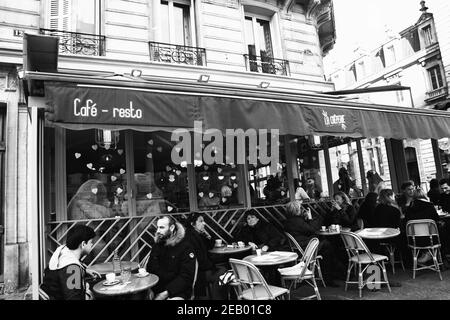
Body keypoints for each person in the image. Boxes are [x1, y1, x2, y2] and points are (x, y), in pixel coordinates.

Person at [283, 200, 340, 287]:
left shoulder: (289, 221)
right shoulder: (297, 221)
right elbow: (312, 229)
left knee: (325, 245)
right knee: (328, 247)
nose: (302, 210)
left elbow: (306, 230)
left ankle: (331, 275)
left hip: (299, 248)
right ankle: (329, 278)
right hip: (304, 250)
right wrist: (310, 218)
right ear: (297, 210)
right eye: (300, 208)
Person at [40, 225, 100, 300]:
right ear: (83, 244)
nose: (92, 244)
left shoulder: (63, 252)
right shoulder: (72, 269)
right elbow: (74, 298)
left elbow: (62, 273)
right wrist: (88, 294)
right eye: (91, 242)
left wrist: (84, 271)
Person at [147, 215, 196, 300]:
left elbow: (186, 277)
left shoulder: (185, 247)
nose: (158, 231)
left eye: (161, 227)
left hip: (177, 291)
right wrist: (149, 289)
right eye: (157, 227)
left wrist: (165, 293)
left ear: (172, 227)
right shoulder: (157, 245)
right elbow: (150, 268)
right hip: (157, 289)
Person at [184, 213, 226, 299]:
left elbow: (210, 245)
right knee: (223, 271)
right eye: (201, 221)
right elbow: (200, 260)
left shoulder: (195, 234)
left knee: (222, 269)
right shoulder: (192, 237)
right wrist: (212, 266)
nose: (204, 223)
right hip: (199, 273)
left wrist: (207, 235)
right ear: (192, 224)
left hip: (198, 270)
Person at [405, 188, 441, 264]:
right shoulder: (430, 206)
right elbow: (436, 219)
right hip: (430, 239)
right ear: (424, 195)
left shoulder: (409, 208)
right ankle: (440, 258)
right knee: (442, 229)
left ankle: (426, 254)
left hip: (415, 240)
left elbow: (406, 222)